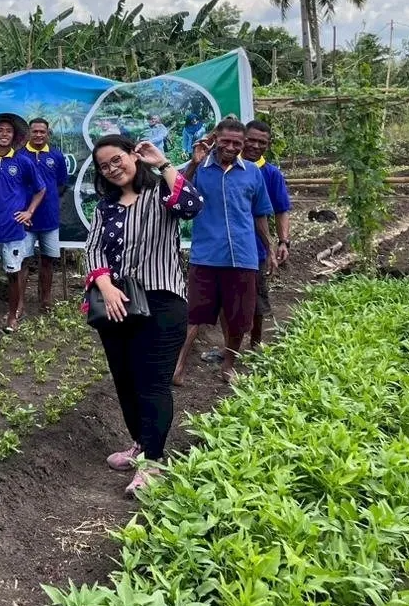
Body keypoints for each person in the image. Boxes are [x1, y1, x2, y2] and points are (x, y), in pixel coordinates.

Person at [84, 135, 202, 496]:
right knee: (125, 380)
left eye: (117, 159)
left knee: (152, 383)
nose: (112, 168)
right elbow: (92, 250)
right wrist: (104, 285)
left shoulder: (161, 197)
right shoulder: (105, 208)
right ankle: (140, 442)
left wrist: (162, 163)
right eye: (104, 166)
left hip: (162, 302)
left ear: (132, 156)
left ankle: (153, 462)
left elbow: (192, 205)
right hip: (117, 304)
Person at [173, 118, 275, 384]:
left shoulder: (252, 172)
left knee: (238, 316)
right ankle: (179, 367)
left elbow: (259, 214)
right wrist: (194, 162)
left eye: (237, 143)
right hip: (206, 254)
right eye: (226, 141)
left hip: (243, 256)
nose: (231, 147)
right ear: (215, 139)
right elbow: (175, 191)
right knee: (194, 315)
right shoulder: (199, 168)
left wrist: (271, 247)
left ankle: (229, 365)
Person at [0, 112, 45, 336]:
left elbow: (40, 189)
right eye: (0, 130)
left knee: (14, 274)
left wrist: (29, 211)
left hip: (13, 229)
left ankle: (13, 317)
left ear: (14, 135)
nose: (4, 134)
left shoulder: (23, 161)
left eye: (8, 131)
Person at [241, 120, 291, 347]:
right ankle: (228, 348)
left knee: (256, 298)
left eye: (262, 142)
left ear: (268, 145)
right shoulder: (226, 168)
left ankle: (255, 343)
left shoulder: (271, 174)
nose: (255, 145)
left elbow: (282, 210)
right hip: (225, 247)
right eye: (250, 139)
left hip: (257, 248)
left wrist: (283, 242)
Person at [22, 118, 69, 313]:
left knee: (48, 260)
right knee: (22, 261)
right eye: (35, 131)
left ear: (48, 133)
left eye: (42, 132)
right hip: (24, 219)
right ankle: (19, 303)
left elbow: (61, 185)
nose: (39, 135)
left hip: (49, 219)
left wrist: (47, 201)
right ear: (28, 133)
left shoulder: (57, 156)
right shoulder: (20, 155)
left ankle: (46, 301)